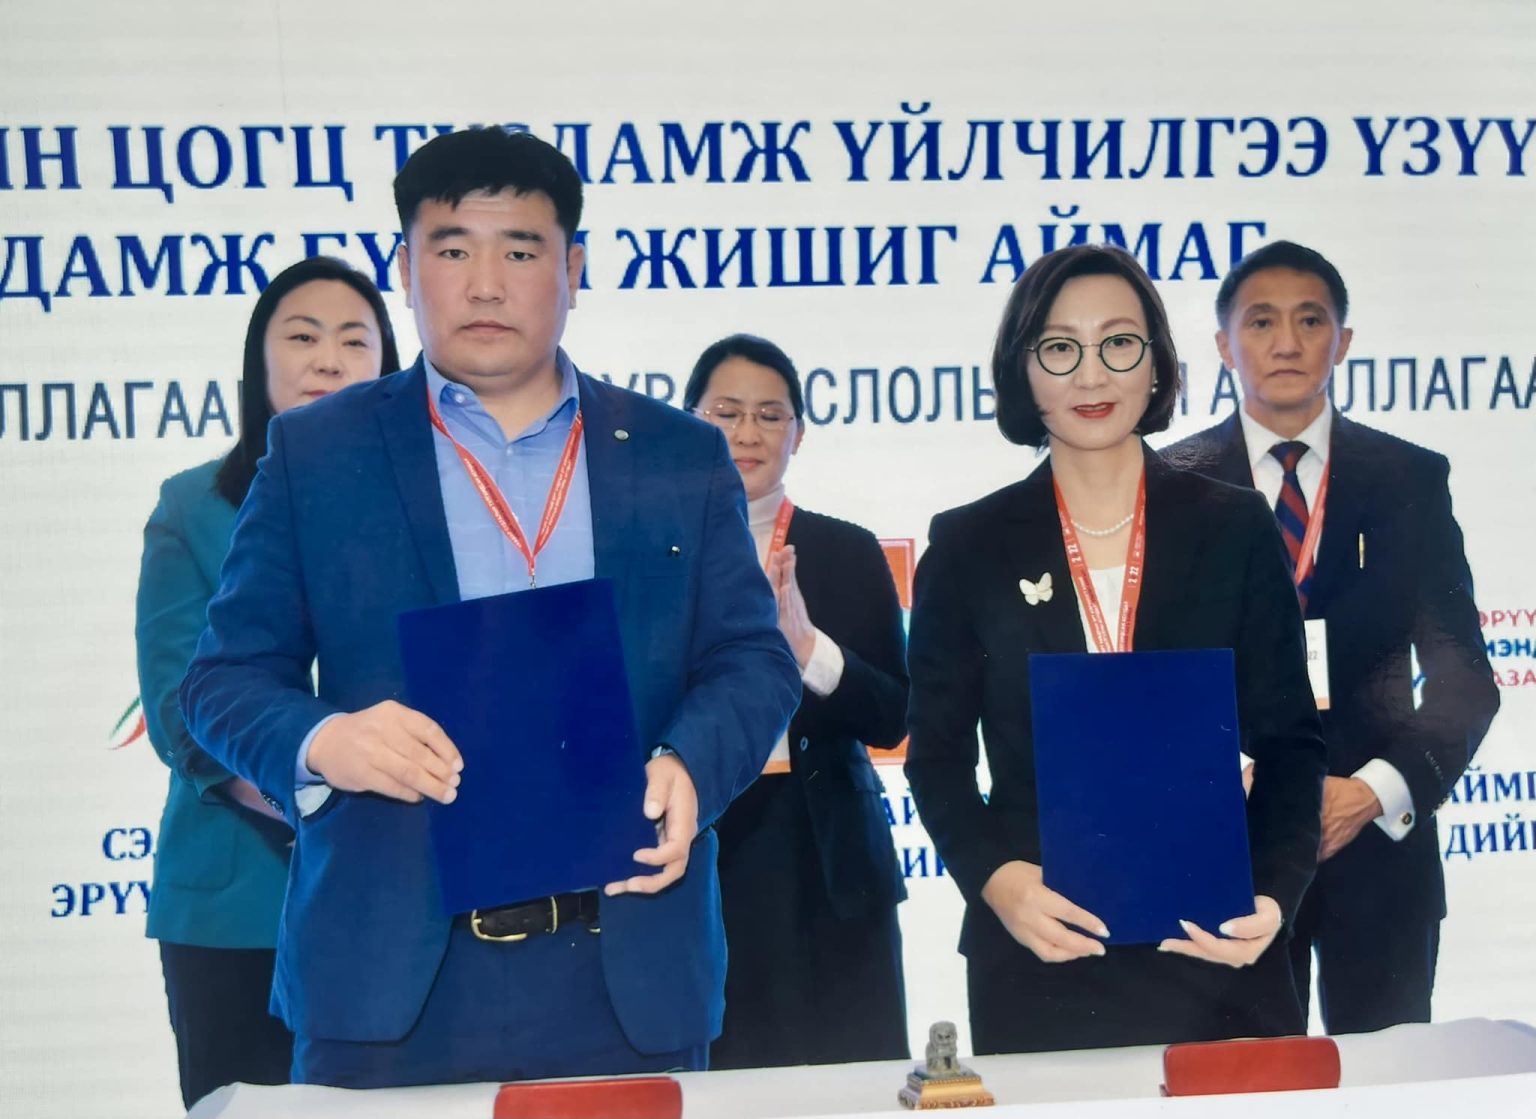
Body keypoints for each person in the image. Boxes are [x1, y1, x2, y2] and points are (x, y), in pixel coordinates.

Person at [179, 126, 799, 1089]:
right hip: (387, 974)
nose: (483, 284)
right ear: (405, 268)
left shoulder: (678, 453)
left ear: (573, 268)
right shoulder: (318, 453)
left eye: (518, 251)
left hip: (625, 964)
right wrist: (325, 739)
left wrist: (691, 762)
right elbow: (221, 681)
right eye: (451, 249)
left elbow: (753, 661)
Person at [904, 243, 1327, 1054]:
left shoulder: (1235, 525)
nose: (1092, 374)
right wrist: (998, 882)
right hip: (1042, 946)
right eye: (1060, 347)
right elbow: (938, 761)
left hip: (1218, 945)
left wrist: (1275, 895)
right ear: (1023, 369)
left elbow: (1291, 744)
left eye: (1119, 343)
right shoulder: (967, 546)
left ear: (1157, 362)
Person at [1165, 240, 1499, 1034]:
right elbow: (1154, 673)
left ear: (1342, 341)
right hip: (1230, 848)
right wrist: (1228, 779)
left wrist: (1373, 791)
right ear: (1224, 346)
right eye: (1261, 322)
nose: (1286, 342)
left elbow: (1463, 677)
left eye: (1310, 320)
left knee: (1388, 1081)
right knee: (1243, 1082)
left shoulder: (1410, 478)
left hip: (1380, 854)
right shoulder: (1173, 484)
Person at [136, 256, 399, 1108]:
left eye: (354, 341)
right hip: (237, 905)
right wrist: (328, 803)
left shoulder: (423, 509)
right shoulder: (194, 506)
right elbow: (182, 714)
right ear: (260, 360)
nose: (328, 360)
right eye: (303, 336)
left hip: (397, 900)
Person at [682, 334, 910, 1069]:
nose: (748, 433)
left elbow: (895, 715)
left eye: (770, 415)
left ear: (798, 433)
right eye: (727, 413)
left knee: (850, 1083)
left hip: (826, 850)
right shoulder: (655, 552)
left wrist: (810, 648)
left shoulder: (844, 550)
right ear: (689, 423)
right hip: (702, 843)